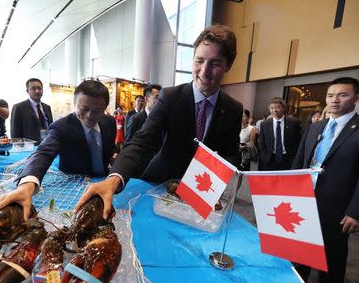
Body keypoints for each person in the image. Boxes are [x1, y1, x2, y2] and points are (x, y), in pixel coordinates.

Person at [75, 24, 243, 219]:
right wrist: (114, 178)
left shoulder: (233, 109)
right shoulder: (171, 97)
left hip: (204, 194)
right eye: (199, 61)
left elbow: (231, 154)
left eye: (214, 64)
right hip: (160, 186)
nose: (204, 71)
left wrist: (222, 177)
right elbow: (142, 140)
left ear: (228, 66)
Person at [0, 80, 116, 220]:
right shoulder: (61, 127)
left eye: (97, 110)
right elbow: (43, 153)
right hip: (73, 187)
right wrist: (26, 185)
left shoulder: (109, 122)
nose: (90, 116)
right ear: (75, 104)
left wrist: (114, 157)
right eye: (84, 109)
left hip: (105, 184)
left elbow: (110, 148)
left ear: (105, 108)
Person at [292, 77, 359, 283]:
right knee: (298, 259)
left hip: (337, 211)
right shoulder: (315, 127)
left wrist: (358, 211)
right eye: (330, 95)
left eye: (342, 95)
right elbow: (299, 163)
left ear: (357, 98)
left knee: (330, 265)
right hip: (304, 203)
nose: (334, 100)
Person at [258, 97, 301, 170]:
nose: (274, 110)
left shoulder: (294, 122)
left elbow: (298, 141)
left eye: (277, 107)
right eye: (271, 108)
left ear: (284, 108)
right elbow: (261, 143)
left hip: (287, 159)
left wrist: (295, 158)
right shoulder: (264, 124)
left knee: (285, 180)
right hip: (270, 159)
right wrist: (264, 157)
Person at [11, 78, 53, 145]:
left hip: (46, 145)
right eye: (33, 88)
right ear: (27, 91)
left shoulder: (47, 107)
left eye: (39, 88)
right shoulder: (19, 107)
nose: (37, 91)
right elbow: (15, 133)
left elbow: (51, 128)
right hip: (28, 148)